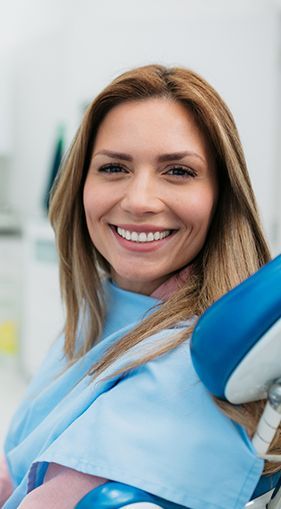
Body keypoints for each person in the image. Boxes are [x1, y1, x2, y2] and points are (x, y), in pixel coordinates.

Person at [0, 64, 279, 509]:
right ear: (81, 185)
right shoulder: (107, 306)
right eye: (113, 167)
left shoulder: (190, 372)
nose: (139, 201)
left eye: (179, 172)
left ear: (221, 196)